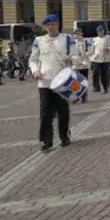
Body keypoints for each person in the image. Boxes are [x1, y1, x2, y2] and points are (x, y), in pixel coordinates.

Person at [29, 14, 76, 153]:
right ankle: (46, 141)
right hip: (45, 82)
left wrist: (71, 58)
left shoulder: (67, 39)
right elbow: (33, 59)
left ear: (58, 24)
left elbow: (76, 55)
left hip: (62, 81)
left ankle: (64, 136)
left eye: (53, 24)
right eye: (48, 24)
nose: (51, 27)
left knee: (63, 111)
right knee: (45, 113)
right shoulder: (39, 40)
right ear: (45, 26)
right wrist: (35, 71)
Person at [71, 28, 90, 104]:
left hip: (84, 64)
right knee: (75, 82)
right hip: (75, 65)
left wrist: (84, 55)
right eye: (76, 33)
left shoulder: (86, 41)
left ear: (82, 33)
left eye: (79, 32)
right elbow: (69, 52)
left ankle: (84, 97)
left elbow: (91, 50)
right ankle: (75, 97)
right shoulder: (72, 42)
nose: (78, 34)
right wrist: (75, 58)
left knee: (83, 81)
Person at [91, 25, 110, 93]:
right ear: (97, 32)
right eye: (99, 31)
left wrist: (108, 50)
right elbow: (92, 49)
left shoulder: (107, 38)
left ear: (103, 31)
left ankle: (105, 88)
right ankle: (96, 87)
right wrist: (92, 55)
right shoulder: (94, 39)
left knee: (104, 74)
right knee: (95, 73)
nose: (100, 32)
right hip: (96, 59)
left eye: (101, 30)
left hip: (105, 59)